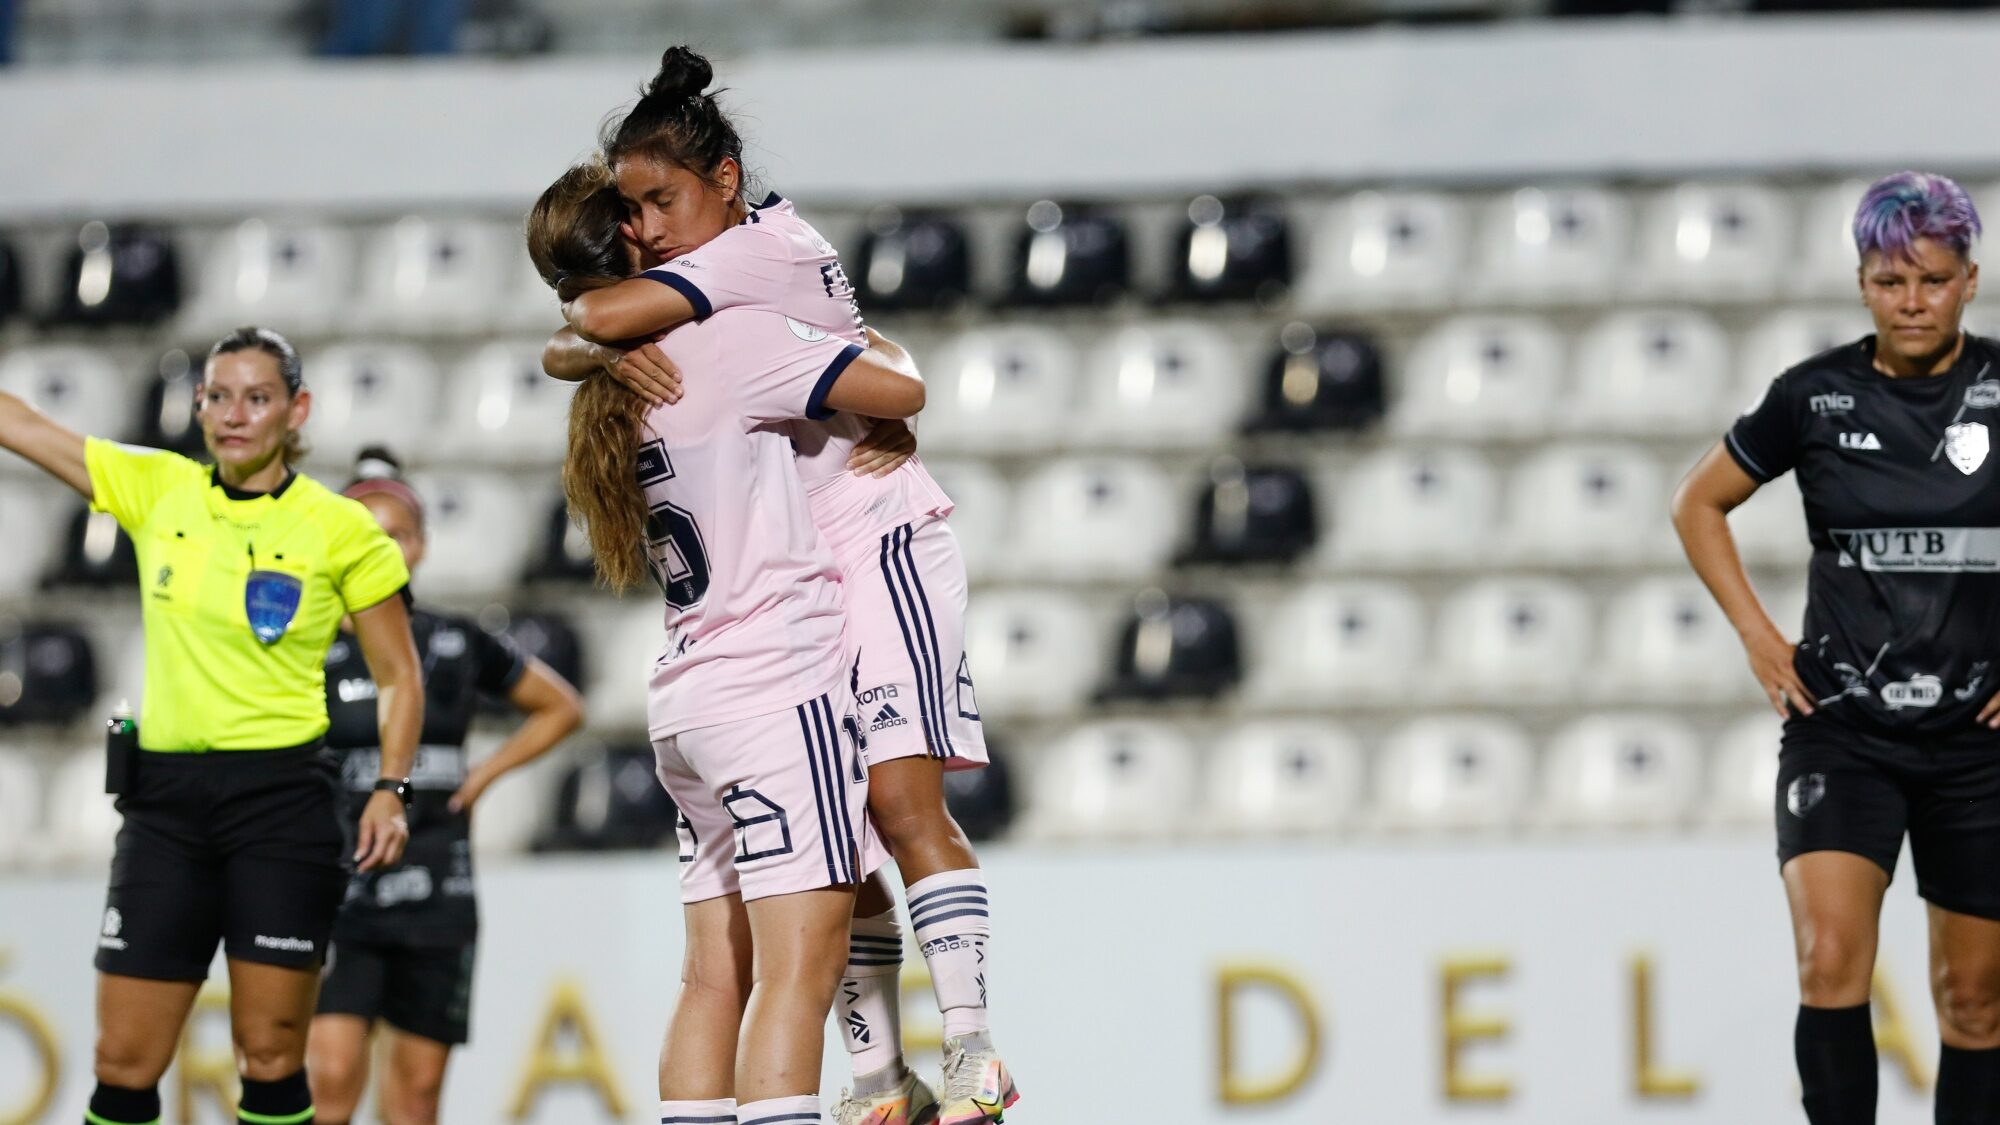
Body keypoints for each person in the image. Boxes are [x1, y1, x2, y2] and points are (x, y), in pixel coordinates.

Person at [547, 46, 1018, 1125]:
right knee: (838, 844)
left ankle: (973, 1052)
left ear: (724, 178)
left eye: (659, 200)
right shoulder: (715, 303)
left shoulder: (745, 269)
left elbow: (902, 387)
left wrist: (596, 339)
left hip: (876, 530)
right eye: (627, 213)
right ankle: (879, 1080)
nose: (647, 229)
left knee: (899, 804)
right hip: (799, 587)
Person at [0, 326, 421, 1125]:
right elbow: (21, 423)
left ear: (296, 410)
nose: (233, 414)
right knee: (121, 1061)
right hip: (164, 810)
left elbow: (400, 675)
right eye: (217, 396)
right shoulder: (156, 486)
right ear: (197, 406)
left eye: (256, 397)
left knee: (268, 1057)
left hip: (281, 807)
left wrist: (391, 789)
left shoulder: (340, 529)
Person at [1672, 171, 2000, 1125]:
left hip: (1977, 744)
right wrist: (1757, 637)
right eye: (1890, 282)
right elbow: (1698, 502)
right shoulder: (1813, 397)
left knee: (1975, 1000)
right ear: (1862, 284)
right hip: (1843, 730)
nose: (1912, 302)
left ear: (1969, 280)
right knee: (1827, 961)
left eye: (1932, 281)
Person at [307, 447, 585, 1125]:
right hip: (334, 889)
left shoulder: (456, 640)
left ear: (421, 545)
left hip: (439, 888)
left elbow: (562, 706)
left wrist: (485, 772)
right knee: (331, 1075)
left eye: (396, 533)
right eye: (363, 532)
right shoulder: (304, 642)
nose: (382, 546)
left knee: (419, 1091)